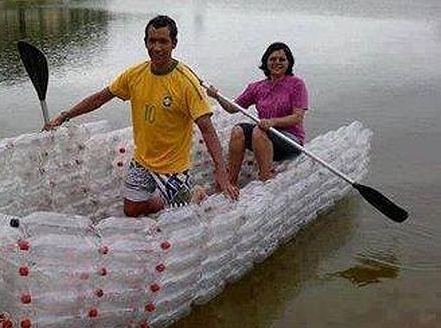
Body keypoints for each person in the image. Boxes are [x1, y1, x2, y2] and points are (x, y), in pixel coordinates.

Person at [43, 15, 239, 217]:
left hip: (173, 167)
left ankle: (193, 195)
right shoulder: (135, 74)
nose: (157, 48)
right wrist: (65, 116)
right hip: (143, 160)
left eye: (163, 41)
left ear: (174, 44)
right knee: (132, 210)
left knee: (180, 219)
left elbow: (207, 129)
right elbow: (101, 98)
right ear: (145, 42)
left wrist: (221, 172)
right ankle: (169, 198)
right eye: (152, 41)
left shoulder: (186, 82)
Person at [208, 42, 308, 183]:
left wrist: (273, 122)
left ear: (289, 63)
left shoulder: (296, 84)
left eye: (282, 59)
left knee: (258, 130)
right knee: (238, 130)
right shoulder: (257, 87)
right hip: (263, 136)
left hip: (290, 141)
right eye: (273, 59)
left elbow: (297, 117)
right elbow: (232, 108)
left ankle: (265, 178)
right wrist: (217, 96)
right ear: (266, 62)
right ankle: (231, 182)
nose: (277, 62)